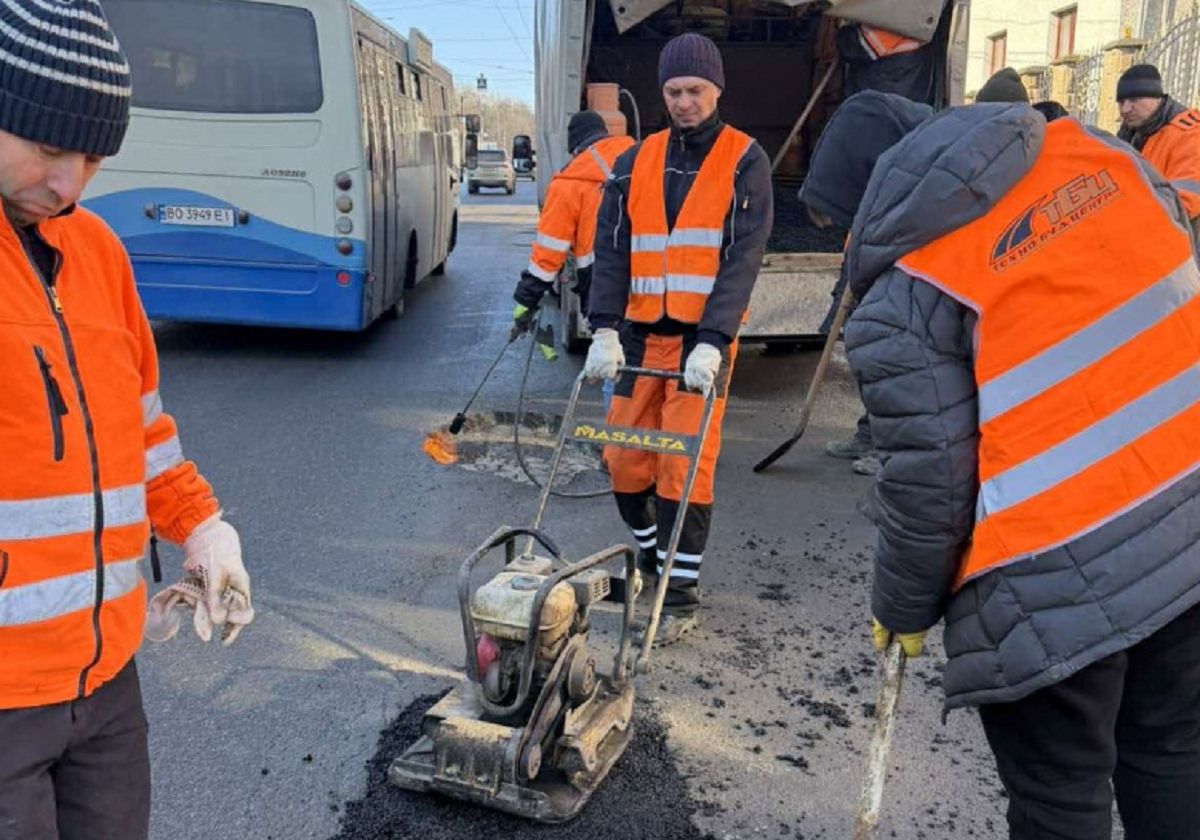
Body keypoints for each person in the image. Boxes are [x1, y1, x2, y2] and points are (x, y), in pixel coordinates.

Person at [813, 93, 1200, 838]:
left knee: (1060, 795)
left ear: (879, 191)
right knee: (1171, 751)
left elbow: (930, 483)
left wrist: (901, 607)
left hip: (1053, 573)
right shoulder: (1108, 158)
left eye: (841, 222)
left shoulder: (909, 285)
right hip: (1188, 524)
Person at [0, 2, 254, 837]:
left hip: (107, 680)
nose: (70, 183)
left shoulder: (98, 253)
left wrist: (202, 526)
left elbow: (140, 426)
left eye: (94, 158)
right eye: (47, 148)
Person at [584, 32, 773, 644]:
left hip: (700, 343)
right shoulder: (633, 162)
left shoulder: (745, 160)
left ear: (716, 89)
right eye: (673, 91)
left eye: (695, 90)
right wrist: (604, 329)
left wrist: (715, 340)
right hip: (639, 339)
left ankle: (680, 595)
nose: (684, 101)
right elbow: (611, 252)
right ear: (661, 93)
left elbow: (742, 259)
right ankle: (648, 559)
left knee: (682, 467)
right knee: (621, 458)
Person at [800, 91, 933, 477]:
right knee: (863, 342)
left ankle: (894, 446)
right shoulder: (863, 135)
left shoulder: (910, 170)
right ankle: (871, 431)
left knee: (895, 354)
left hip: (909, 264)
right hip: (877, 250)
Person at [511, 111, 635, 356]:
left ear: (576, 149)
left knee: (615, 363)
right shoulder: (639, 157)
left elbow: (548, 254)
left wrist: (525, 302)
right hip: (655, 281)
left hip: (603, 284)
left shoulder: (569, 182)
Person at [1117, 63, 1200, 219]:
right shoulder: (1130, 133)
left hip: (1176, 239)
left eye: (1135, 99)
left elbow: (1185, 202)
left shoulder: (1189, 134)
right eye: (1121, 102)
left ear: (1157, 98)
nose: (1125, 109)